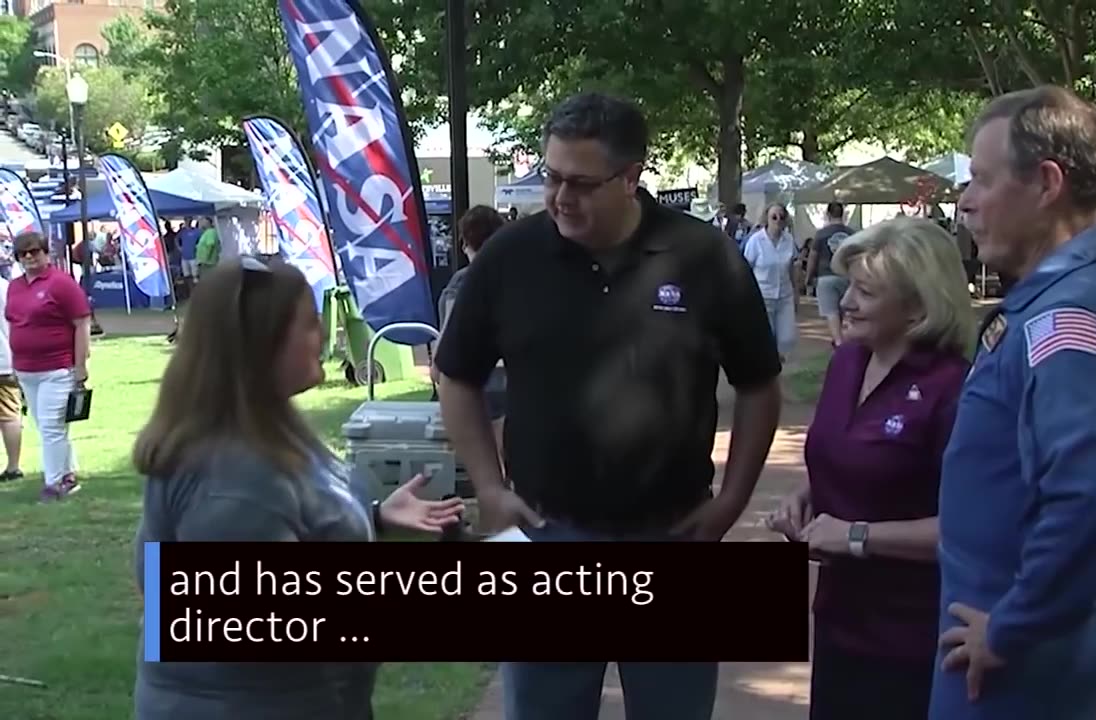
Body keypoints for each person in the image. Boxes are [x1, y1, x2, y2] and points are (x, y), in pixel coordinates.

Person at [433, 92, 782, 720]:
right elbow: (455, 375)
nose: (560, 197)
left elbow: (759, 384)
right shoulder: (512, 256)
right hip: (549, 537)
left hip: (672, 537)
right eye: (551, 176)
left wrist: (731, 501)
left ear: (631, 177)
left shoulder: (703, 256)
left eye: (581, 183)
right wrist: (488, 484)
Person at [131, 257, 465, 720]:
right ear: (261, 341)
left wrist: (371, 518)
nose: (323, 337)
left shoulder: (266, 430)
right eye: (308, 323)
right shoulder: (234, 474)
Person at [932, 86, 1096, 719]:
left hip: (1010, 653)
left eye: (981, 180)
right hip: (1011, 628)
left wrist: (1011, 627)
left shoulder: (1069, 316)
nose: (966, 201)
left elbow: (1092, 496)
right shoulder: (1067, 298)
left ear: (1047, 183)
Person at [767, 217, 974, 720]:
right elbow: (844, 456)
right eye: (850, 286)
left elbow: (971, 530)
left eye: (866, 291)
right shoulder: (848, 362)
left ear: (917, 306)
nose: (847, 303)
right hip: (840, 618)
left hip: (913, 634)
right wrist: (808, 494)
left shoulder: (956, 390)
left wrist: (857, 535)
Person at [6, 231, 91, 501]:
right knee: (45, 426)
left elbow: (82, 324)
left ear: (46, 252)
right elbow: (13, 322)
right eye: (23, 254)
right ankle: (67, 475)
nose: (29, 257)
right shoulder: (15, 286)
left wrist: (80, 365)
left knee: (52, 426)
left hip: (57, 367)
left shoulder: (61, 284)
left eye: (34, 251)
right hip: (25, 369)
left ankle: (53, 483)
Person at [432, 204, 509, 462]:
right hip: (512, 380)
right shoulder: (514, 277)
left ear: (466, 243)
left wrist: (437, 369)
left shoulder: (462, 282)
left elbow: (450, 337)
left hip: (474, 382)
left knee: (484, 466)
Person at [742, 203, 798, 363]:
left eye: (781, 217)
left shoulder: (788, 240)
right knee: (767, 336)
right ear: (767, 218)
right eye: (774, 217)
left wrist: (796, 292)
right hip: (763, 295)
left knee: (787, 337)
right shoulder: (756, 241)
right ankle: (769, 369)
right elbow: (746, 269)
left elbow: (792, 267)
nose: (778, 220)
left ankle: (776, 361)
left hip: (784, 294)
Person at [806, 202, 855, 347]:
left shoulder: (821, 234)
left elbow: (813, 256)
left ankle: (839, 342)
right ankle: (848, 339)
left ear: (828, 215)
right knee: (846, 310)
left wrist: (809, 276)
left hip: (826, 276)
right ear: (842, 214)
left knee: (831, 311)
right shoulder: (852, 233)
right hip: (847, 275)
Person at [0, 271, 23, 482]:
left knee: (9, 416)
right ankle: (13, 465)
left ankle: (14, 466)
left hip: (5, 360)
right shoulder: (7, 288)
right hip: (6, 360)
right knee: (9, 415)